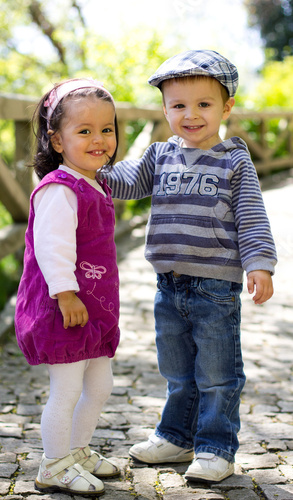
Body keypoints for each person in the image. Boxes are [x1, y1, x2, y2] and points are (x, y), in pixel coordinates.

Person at [101, 50, 277, 483]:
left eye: (203, 104)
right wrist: (90, 166)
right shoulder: (159, 155)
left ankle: (216, 447)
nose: (190, 115)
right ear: (164, 109)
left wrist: (259, 263)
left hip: (216, 286)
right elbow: (123, 181)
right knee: (177, 369)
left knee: (217, 372)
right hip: (168, 284)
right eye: (178, 105)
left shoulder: (233, 160)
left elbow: (251, 215)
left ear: (226, 107)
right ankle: (177, 436)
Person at [15, 78, 121, 497]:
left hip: (92, 307)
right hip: (66, 306)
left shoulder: (95, 182)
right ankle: (53, 464)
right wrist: (64, 293)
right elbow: (52, 245)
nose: (99, 139)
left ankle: (76, 450)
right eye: (85, 131)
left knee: (100, 385)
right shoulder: (60, 188)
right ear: (57, 140)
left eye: (107, 129)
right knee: (68, 387)